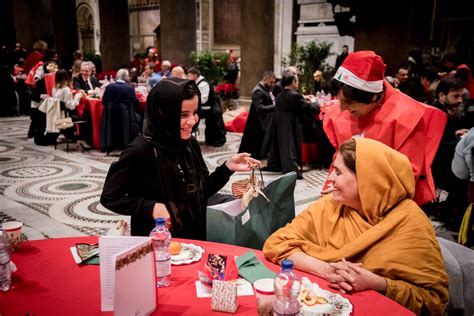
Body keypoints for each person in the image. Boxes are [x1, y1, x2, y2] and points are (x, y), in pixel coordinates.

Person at [263, 138, 449, 314]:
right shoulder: (332, 206)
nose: (330, 180)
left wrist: (378, 283)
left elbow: (434, 301)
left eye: (338, 172)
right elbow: (276, 244)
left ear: (369, 180)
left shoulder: (410, 224)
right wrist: (326, 270)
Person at [100, 78, 259, 238]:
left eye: (195, 112)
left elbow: (202, 192)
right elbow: (110, 197)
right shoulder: (140, 151)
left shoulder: (189, 144)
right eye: (183, 115)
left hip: (195, 238)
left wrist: (227, 167)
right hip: (158, 243)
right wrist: (150, 207)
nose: (192, 121)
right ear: (163, 113)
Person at [323, 50, 447, 206]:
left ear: (374, 97)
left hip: (389, 201)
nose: (341, 109)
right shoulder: (343, 111)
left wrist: (361, 195)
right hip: (349, 195)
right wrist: (333, 185)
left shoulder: (407, 116)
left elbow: (406, 176)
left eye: (349, 103)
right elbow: (339, 159)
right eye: (340, 100)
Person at [262, 68, 320, 179]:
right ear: (293, 82)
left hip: (280, 127)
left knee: (282, 147)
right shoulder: (294, 96)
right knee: (290, 148)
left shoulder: (281, 95)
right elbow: (313, 110)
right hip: (290, 127)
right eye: (297, 81)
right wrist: (314, 101)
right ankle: (292, 168)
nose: (297, 84)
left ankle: (277, 165)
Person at [100, 69, 140, 153]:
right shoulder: (129, 88)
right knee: (139, 118)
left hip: (110, 118)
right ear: (126, 77)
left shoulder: (109, 87)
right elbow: (136, 103)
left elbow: (104, 101)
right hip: (125, 117)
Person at [238, 71, 276, 159]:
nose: (272, 85)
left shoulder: (265, 89)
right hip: (256, 122)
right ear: (265, 79)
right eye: (271, 82)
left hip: (261, 121)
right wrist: (275, 107)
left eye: (273, 82)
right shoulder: (258, 91)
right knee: (253, 144)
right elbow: (260, 108)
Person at [187, 67, 226, 147]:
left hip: (208, 109)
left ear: (195, 75)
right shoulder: (197, 82)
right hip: (205, 108)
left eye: (189, 75)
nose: (188, 77)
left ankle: (188, 136)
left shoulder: (203, 84)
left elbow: (204, 99)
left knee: (190, 116)